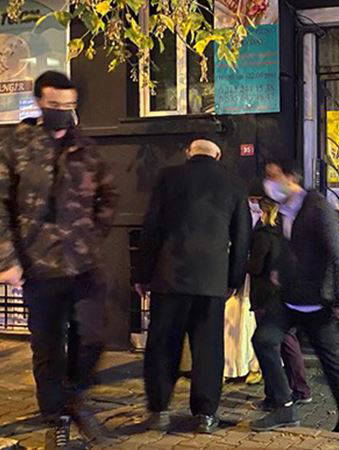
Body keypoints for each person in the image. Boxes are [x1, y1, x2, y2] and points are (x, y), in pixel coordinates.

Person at [0, 71, 118, 448]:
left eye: (70, 106)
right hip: (39, 265)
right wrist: (8, 259)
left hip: (84, 264)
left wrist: (91, 236)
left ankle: (75, 397)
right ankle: (57, 419)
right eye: (55, 105)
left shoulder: (85, 147)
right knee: (48, 347)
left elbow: (108, 196)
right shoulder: (16, 146)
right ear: (39, 102)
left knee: (94, 336)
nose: (63, 112)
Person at [134, 138, 251, 434]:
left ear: (189, 153)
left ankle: (159, 410)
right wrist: (234, 280)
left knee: (163, 346)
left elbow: (151, 228)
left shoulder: (168, 177)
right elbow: (242, 237)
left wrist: (142, 274)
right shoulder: (234, 183)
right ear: (218, 155)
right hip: (211, 281)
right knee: (208, 349)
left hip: (169, 277)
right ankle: (205, 415)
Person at [251, 159, 339, 433]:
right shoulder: (285, 209)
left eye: (274, 176)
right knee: (263, 340)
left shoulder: (317, 207)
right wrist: (279, 270)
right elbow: (289, 247)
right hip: (289, 297)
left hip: (316, 300)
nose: (269, 183)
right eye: (267, 177)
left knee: (329, 360)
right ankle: (284, 407)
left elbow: (338, 253)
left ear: (291, 177)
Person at [247, 185, 312, 410]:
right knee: (288, 342)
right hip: (285, 293)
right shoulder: (286, 231)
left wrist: (244, 263)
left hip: (265, 295)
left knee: (268, 347)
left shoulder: (263, 235)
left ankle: (275, 395)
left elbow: (256, 267)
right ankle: (300, 389)